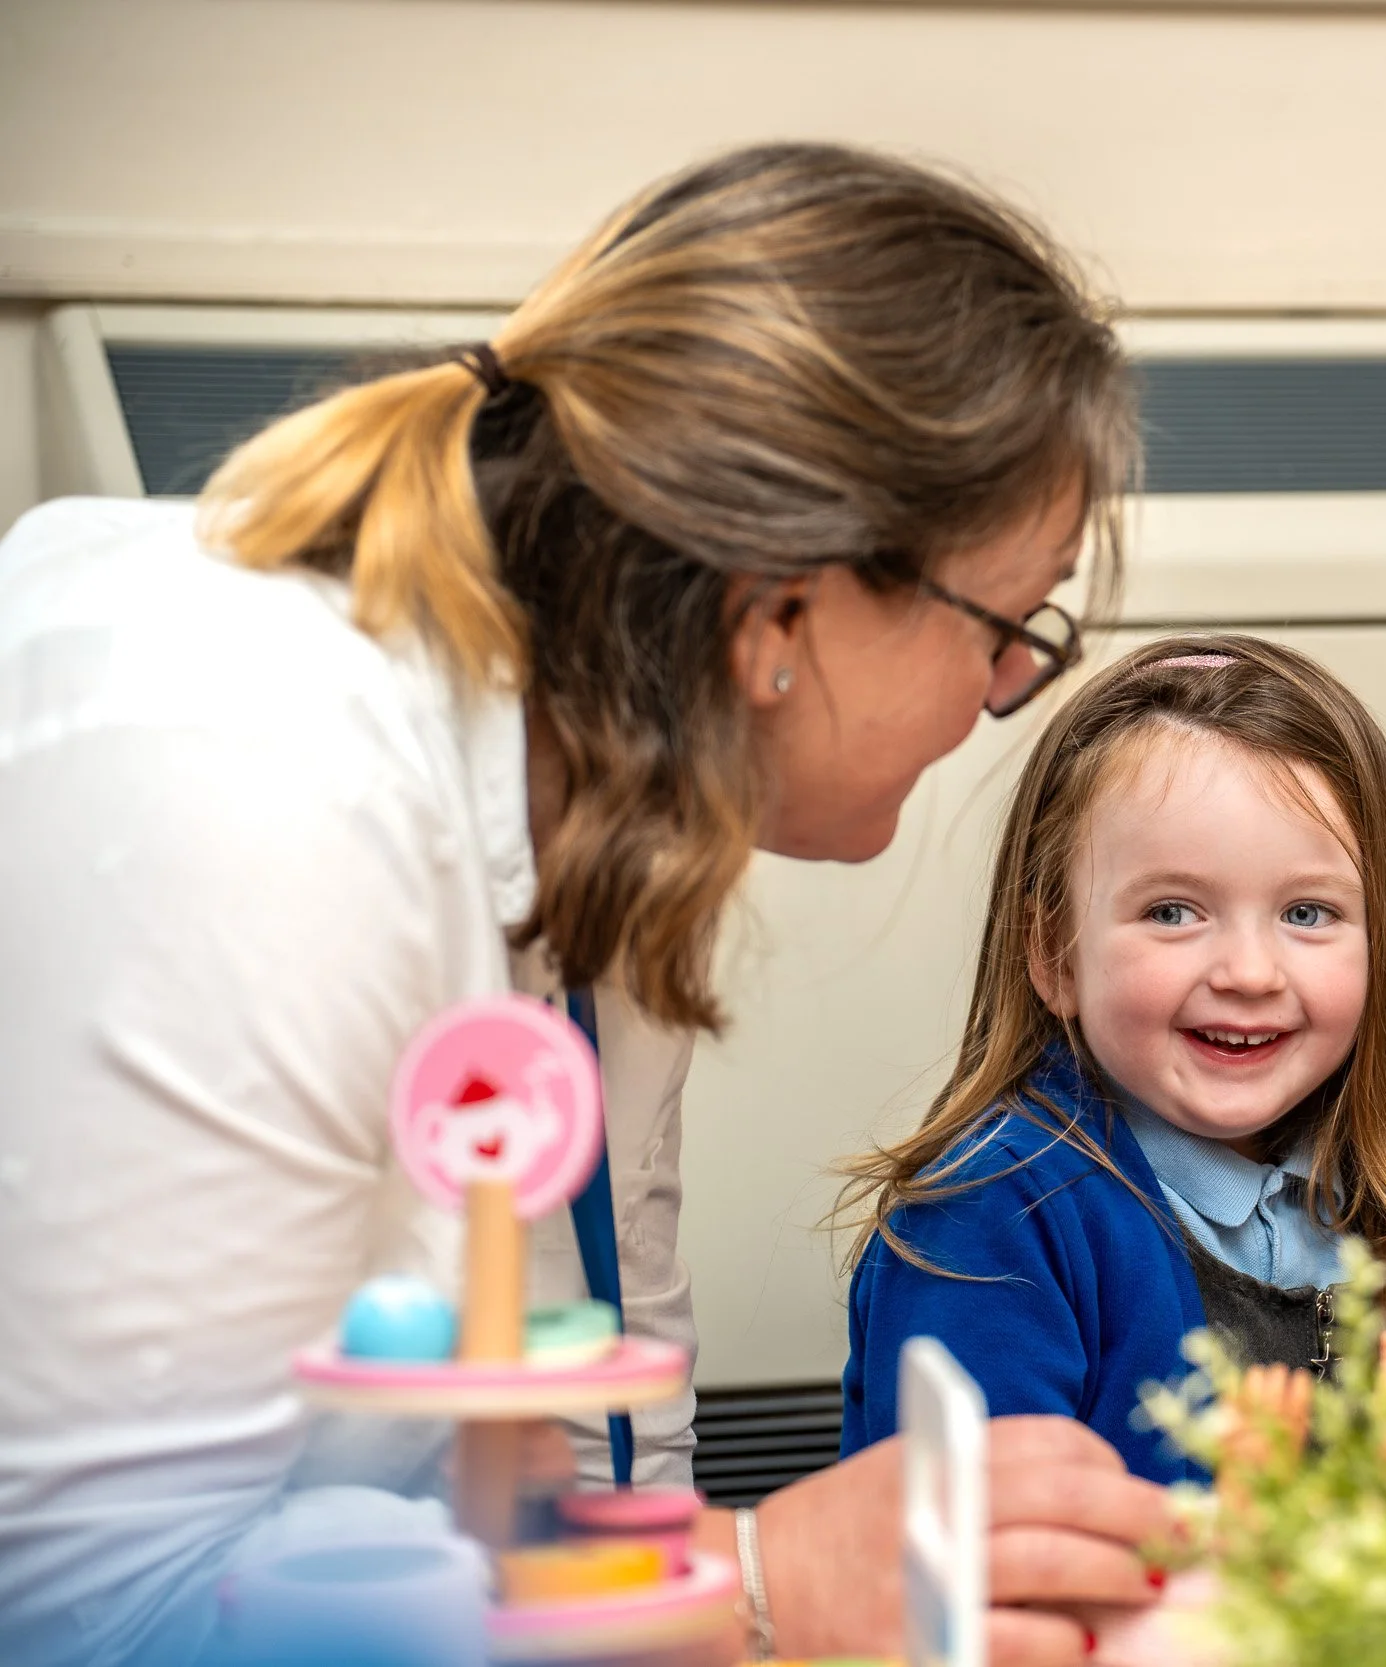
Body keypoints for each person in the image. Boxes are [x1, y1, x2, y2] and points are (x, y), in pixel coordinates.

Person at [0, 142, 1167, 1667]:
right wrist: (759, 1577)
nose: (1016, 687)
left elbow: (601, 1428)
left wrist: (710, 1594)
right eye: (1010, 623)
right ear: (779, 611)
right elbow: (82, 1609)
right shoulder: (244, 793)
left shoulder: (607, 818)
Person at [838, 637, 1386, 1479]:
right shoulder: (991, 1217)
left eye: (1307, 912)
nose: (1250, 974)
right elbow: (990, 1557)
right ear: (1053, 951)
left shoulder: (1380, 1201)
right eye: (1174, 911)